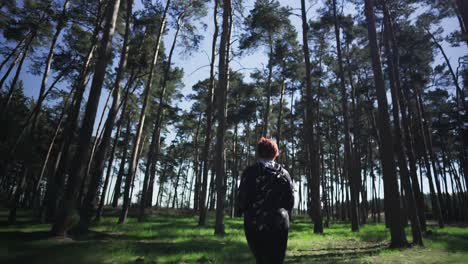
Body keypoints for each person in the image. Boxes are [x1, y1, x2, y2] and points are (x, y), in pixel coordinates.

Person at [236, 137, 294, 264]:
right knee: (277, 260)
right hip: (279, 222)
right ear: (275, 152)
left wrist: (241, 210)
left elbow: (242, 198)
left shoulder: (250, 172)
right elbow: (290, 201)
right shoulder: (284, 173)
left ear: (259, 152)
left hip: (255, 222)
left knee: (261, 259)